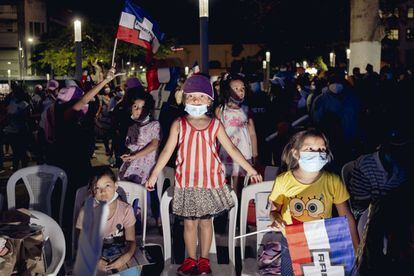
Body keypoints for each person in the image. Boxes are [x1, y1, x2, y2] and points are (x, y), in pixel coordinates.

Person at [145, 74, 262, 275]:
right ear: (185, 99)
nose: (196, 100)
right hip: (187, 183)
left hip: (209, 183)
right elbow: (166, 151)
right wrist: (154, 174)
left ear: (209, 100)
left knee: (206, 223)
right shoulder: (178, 124)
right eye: (191, 97)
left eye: (201, 96)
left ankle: (205, 260)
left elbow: (233, 149)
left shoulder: (216, 124)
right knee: (189, 224)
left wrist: (250, 169)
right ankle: (191, 259)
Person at [267, 129, 359, 274]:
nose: (317, 153)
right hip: (291, 242)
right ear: (296, 153)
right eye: (310, 149)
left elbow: (347, 217)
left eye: (321, 149)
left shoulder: (333, 181)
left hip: (322, 242)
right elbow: (273, 211)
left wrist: (356, 248)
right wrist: (276, 219)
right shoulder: (283, 181)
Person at [76, 167, 136, 273]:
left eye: (107, 185)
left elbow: (131, 241)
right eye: (97, 188)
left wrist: (126, 257)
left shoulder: (126, 210)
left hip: (120, 256)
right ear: (92, 192)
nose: (103, 192)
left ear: (115, 186)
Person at [118, 90, 161, 228]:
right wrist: (127, 155)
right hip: (132, 163)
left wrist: (135, 156)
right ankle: (130, 220)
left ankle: (152, 219)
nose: (138, 110)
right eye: (135, 107)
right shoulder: (132, 126)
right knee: (126, 190)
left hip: (146, 165)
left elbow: (154, 144)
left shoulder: (154, 125)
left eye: (142, 107)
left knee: (146, 193)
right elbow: (130, 146)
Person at [216, 74, 258, 199]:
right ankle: (225, 212)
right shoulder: (221, 110)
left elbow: (252, 133)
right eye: (236, 88)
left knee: (237, 185)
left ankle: (236, 212)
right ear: (228, 91)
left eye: (242, 89)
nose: (240, 91)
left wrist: (255, 154)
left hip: (243, 151)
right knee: (223, 184)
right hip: (225, 153)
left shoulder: (246, 109)